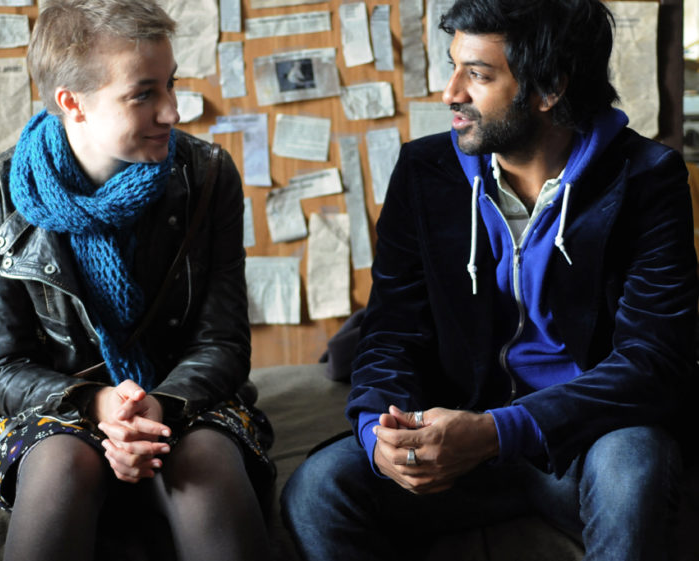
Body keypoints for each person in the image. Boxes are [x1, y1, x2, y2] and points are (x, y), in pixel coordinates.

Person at [281, 1, 698, 560]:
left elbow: (655, 362)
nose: (451, 92)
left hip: (584, 443)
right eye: (454, 66)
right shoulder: (424, 174)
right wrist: (377, 436)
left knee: (632, 464)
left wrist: (501, 429)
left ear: (548, 88)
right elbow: (390, 332)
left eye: (477, 74)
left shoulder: (648, 179)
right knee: (319, 488)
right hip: (456, 447)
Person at [0, 1, 274, 560]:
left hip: (187, 399)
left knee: (202, 459)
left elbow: (222, 343)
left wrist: (154, 407)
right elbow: (3, 366)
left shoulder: (207, 176)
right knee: (61, 462)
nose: (172, 111)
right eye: (144, 93)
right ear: (72, 103)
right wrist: (100, 404)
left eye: (172, 85)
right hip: (63, 407)